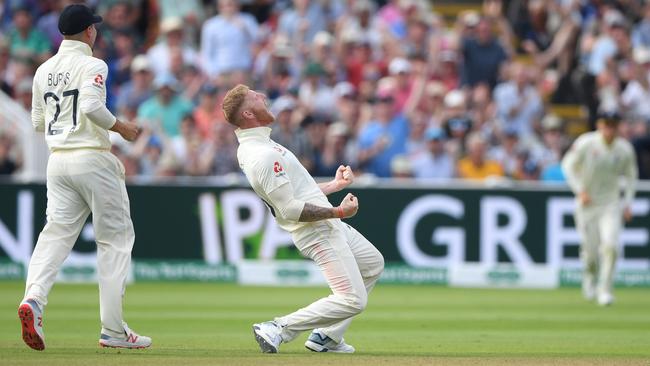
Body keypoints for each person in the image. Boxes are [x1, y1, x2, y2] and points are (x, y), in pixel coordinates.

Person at [18, 4, 151, 351]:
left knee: (55, 235)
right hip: (91, 158)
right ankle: (113, 331)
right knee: (114, 241)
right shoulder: (93, 64)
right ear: (90, 32)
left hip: (57, 160)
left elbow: (36, 122)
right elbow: (92, 107)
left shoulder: (43, 70)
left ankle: (33, 300)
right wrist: (123, 128)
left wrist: (64, 126)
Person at [221, 84, 384, 354]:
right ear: (248, 114)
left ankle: (326, 337)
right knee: (353, 300)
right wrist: (339, 212)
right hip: (316, 231)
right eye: (255, 97)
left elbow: (298, 191)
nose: (263, 96)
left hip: (328, 226)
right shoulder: (262, 155)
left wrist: (333, 186)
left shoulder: (263, 145)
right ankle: (278, 328)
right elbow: (291, 209)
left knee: (372, 263)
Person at [561, 113, 638, 306]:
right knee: (590, 252)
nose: (609, 129)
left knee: (611, 246)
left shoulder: (624, 149)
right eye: (606, 125)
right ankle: (589, 277)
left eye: (613, 125)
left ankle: (605, 289)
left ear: (618, 127)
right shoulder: (586, 143)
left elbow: (631, 177)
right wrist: (580, 190)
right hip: (587, 205)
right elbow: (568, 166)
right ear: (599, 125)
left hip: (610, 204)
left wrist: (627, 202)